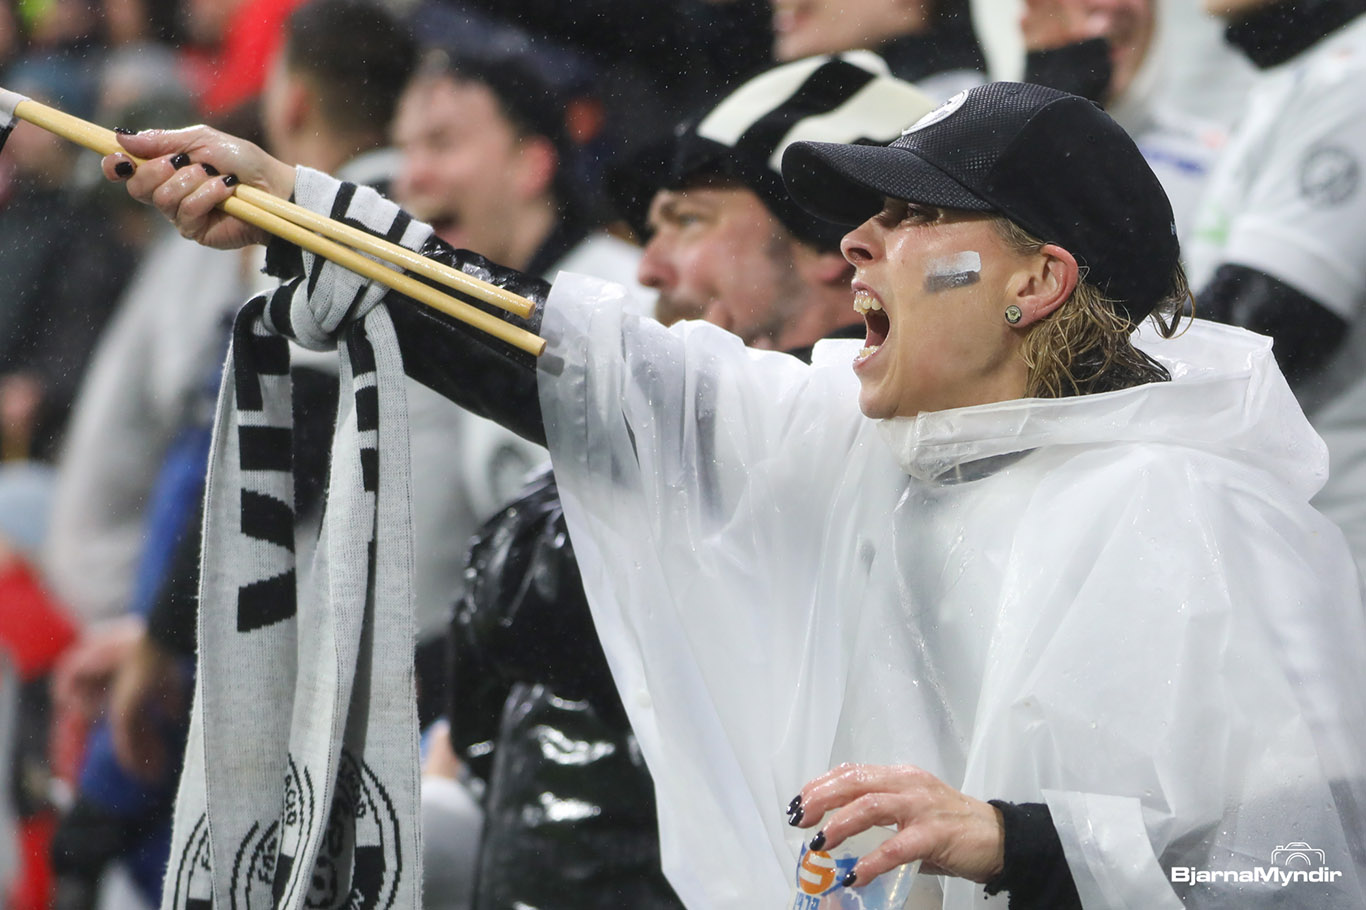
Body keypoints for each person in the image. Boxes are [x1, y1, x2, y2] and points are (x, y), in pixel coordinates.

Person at [104, 80, 1366, 908]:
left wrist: (1010, 837)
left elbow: (1308, 869)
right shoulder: (862, 442)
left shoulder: (1201, 514)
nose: (854, 244)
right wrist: (301, 210)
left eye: (913, 215)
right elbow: (585, 363)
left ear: (1036, 282)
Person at [444, 53, 933, 910]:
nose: (650, 266)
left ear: (835, 244)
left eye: (690, 221)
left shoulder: (843, 451)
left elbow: (534, 600)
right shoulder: (676, 431)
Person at [1187, 0, 1366, 583]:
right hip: (1289, 537)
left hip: (1338, 543)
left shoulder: (1352, 78)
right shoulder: (1292, 71)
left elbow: (1266, 329)